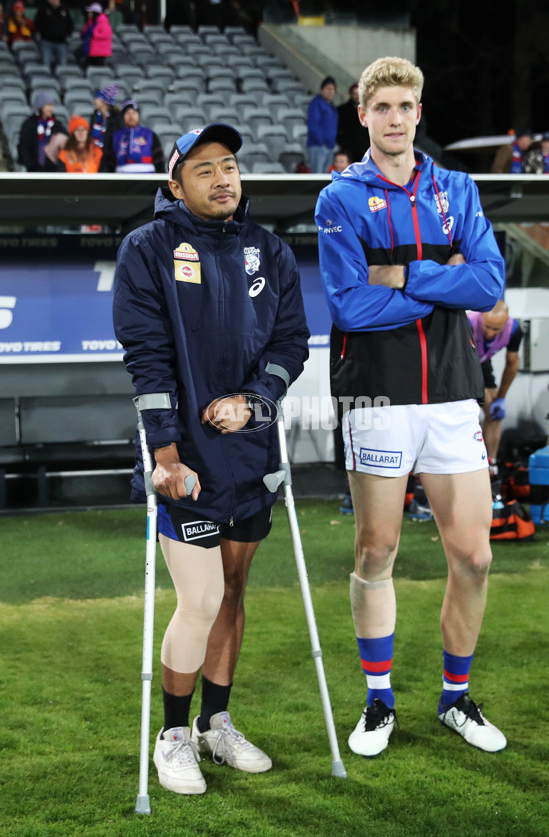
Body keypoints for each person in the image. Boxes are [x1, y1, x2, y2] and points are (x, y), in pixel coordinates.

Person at [315, 56, 507, 758]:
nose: (394, 119)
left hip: (456, 393)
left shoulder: (456, 188)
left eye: (405, 106)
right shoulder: (339, 198)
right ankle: (378, 700)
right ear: (362, 115)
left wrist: (400, 271)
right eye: (382, 108)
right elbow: (350, 305)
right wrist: (443, 278)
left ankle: (456, 699)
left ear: (418, 112)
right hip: (380, 399)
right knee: (377, 549)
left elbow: (487, 285)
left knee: (475, 557)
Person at [113, 123, 310, 795]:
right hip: (187, 461)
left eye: (229, 165)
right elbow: (146, 355)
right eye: (204, 169)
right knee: (200, 599)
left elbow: (291, 346)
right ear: (175, 185)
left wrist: (255, 403)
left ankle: (215, 724)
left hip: (250, 455)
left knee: (233, 597)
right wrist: (165, 451)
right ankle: (172, 735)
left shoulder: (271, 251)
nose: (223, 178)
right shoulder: (148, 248)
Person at [467, 301, 522, 475]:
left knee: (494, 413)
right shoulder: (467, 322)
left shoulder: (514, 330)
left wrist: (501, 399)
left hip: (482, 361)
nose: (490, 333)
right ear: (481, 317)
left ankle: (491, 465)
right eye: (487, 327)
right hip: (460, 363)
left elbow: (512, 364)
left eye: (495, 330)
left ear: (505, 324)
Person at [99, 99, 164, 173]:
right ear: (123, 116)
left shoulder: (150, 135)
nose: (131, 116)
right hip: (122, 179)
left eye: (134, 112)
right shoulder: (115, 137)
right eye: (127, 113)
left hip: (147, 179)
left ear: (138, 115)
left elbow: (159, 161)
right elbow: (109, 163)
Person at [17, 90, 68, 172]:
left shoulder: (56, 124)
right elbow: (24, 145)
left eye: (52, 105)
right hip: (34, 169)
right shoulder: (30, 124)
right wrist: (29, 164)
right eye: (48, 105)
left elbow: (66, 140)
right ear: (40, 106)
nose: (51, 108)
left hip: (53, 169)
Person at [34, 0, 73, 71]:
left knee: (62, 65)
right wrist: (44, 32)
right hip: (47, 41)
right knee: (46, 64)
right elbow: (37, 23)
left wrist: (67, 34)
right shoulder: (43, 9)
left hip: (61, 42)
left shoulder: (64, 9)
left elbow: (70, 24)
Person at [306, 76, 338, 174]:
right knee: (317, 175)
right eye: (328, 88)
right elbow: (313, 124)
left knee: (324, 176)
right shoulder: (316, 104)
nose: (330, 91)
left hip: (329, 147)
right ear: (322, 90)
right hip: (318, 146)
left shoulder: (331, 107)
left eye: (332, 89)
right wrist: (321, 142)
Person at [336, 83, 370, 164]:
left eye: (358, 93)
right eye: (354, 94)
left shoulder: (368, 110)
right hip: (348, 148)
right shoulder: (342, 110)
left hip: (364, 148)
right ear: (351, 95)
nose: (356, 96)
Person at [89, 83, 122, 151]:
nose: (94, 101)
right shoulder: (94, 116)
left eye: (97, 98)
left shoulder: (116, 118)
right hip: (94, 155)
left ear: (104, 101)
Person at [80, 1, 112, 68]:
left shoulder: (103, 21)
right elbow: (84, 33)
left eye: (91, 12)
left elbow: (106, 34)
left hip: (100, 52)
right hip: (91, 50)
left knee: (98, 69)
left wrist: (92, 33)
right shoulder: (90, 21)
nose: (89, 13)